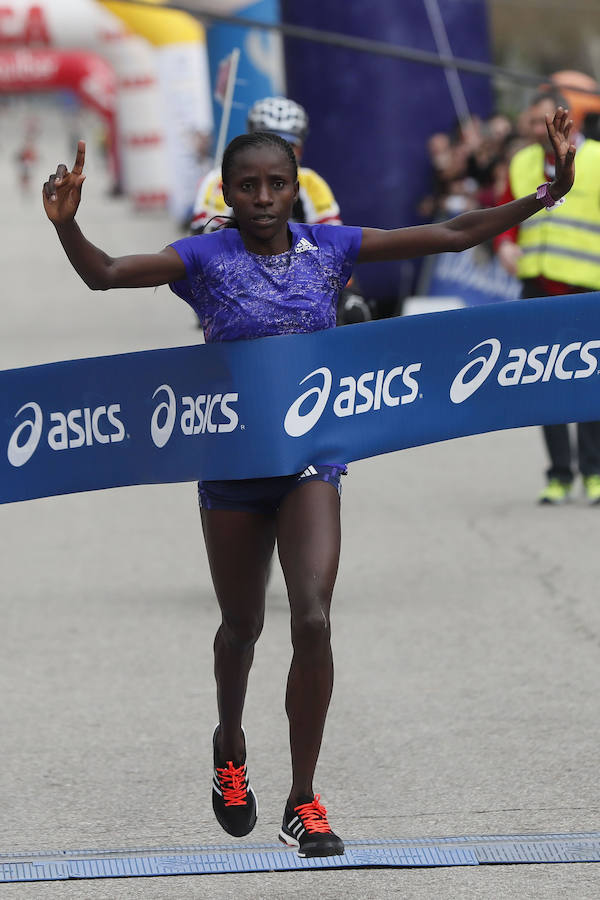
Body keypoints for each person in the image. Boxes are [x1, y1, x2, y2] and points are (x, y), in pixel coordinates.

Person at [42, 108, 575, 857]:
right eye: (248, 186)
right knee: (241, 628)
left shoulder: (332, 248)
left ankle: (303, 798)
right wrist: (68, 226)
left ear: (298, 190)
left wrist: (548, 193)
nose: (263, 197)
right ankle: (229, 743)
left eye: (277, 184)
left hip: (310, 465)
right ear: (226, 193)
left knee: (314, 619)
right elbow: (106, 275)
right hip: (231, 468)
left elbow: (452, 235)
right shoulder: (204, 258)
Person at [495, 89, 600, 505]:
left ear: (566, 119)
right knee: (544, 384)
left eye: (548, 119)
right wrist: (503, 243)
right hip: (535, 286)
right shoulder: (521, 161)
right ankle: (558, 474)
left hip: (586, 286)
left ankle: (594, 472)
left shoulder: (597, 158)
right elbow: (505, 210)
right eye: (534, 121)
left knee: (590, 381)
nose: (541, 129)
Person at [190, 96, 371, 325]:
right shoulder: (217, 180)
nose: (280, 151)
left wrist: (348, 294)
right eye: (271, 141)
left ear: (301, 149)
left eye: (290, 144)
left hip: (304, 278)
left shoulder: (311, 183)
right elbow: (205, 243)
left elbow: (336, 247)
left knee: (355, 312)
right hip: (237, 280)